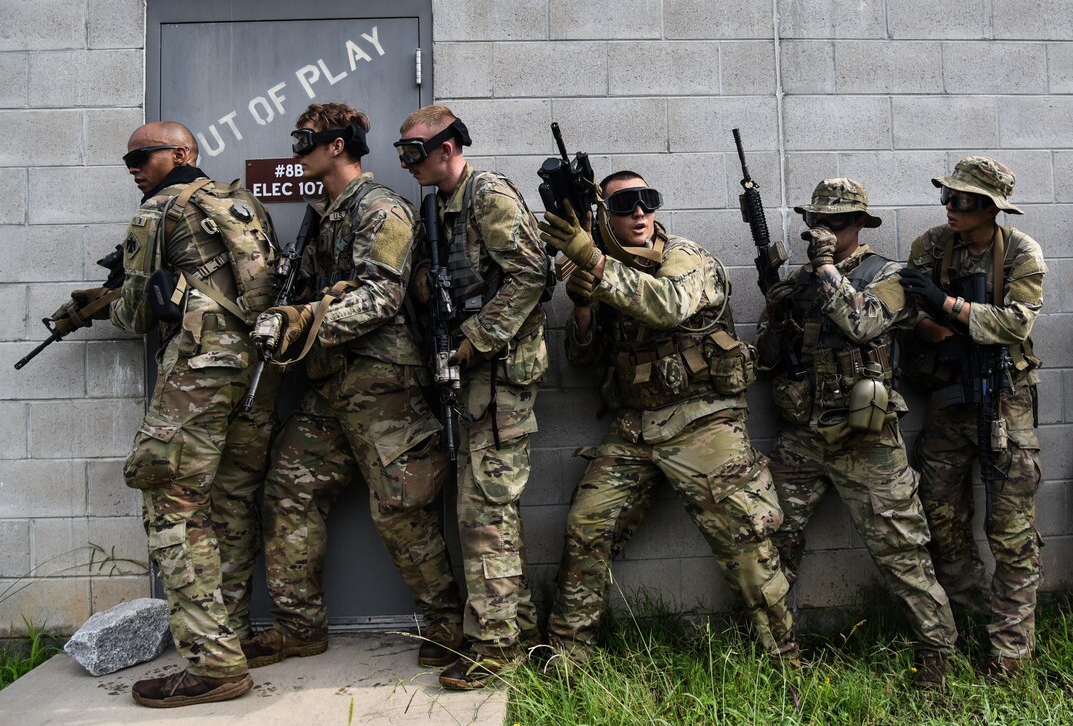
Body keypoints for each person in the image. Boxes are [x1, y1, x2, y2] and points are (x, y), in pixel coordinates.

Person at [543, 171, 797, 666]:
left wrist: (591, 257)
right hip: (636, 427)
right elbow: (581, 360)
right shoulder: (607, 266)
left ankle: (785, 661)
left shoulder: (686, 257)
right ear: (603, 216)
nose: (639, 212)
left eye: (647, 201)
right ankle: (568, 660)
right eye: (624, 205)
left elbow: (667, 306)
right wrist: (582, 309)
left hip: (703, 421)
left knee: (745, 540)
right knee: (586, 527)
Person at [245, 102, 462, 671]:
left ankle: (447, 624)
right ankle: (299, 628)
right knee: (288, 490)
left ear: (336, 145)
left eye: (304, 139)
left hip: (381, 384)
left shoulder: (381, 210)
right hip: (328, 385)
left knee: (400, 509)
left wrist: (303, 324)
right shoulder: (325, 213)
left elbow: (381, 298)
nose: (297, 149)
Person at [755, 178, 959, 689]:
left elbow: (862, 324)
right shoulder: (801, 283)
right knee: (768, 544)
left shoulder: (891, 274)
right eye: (816, 223)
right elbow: (767, 359)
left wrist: (825, 270)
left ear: (861, 225)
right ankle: (772, 658)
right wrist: (777, 308)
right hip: (803, 437)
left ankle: (937, 665)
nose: (825, 231)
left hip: (867, 440)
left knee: (903, 553)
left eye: (837, 222)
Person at [110, 121, 280, 707]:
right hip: (254, 375)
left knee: (173, 507)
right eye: (128, 158)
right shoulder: (241, 202)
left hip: (198, 374)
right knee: (229, 506)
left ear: (181, 154)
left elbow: (134, 317)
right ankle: (228, 633)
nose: (132, 166)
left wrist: (118, 298)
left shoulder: (155, 211)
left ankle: (215, 665)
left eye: (142, 156)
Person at [397, 105, 551, 689]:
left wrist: (476, 337)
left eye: (414, 151)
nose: (407, 163)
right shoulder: (436, 206)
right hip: (466, 380)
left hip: (499, 378)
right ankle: (519, 632)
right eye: (401, 152)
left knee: (483, 514)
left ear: (447, 148)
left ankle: (494, 648)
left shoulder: (486, 194)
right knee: (488, 513)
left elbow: (532, 274)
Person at [899, 157, 1045, 681]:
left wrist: (950, 307)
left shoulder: (1022, 252)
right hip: (947, 400)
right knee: (941, 520)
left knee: (1011, 534)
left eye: (961, 200)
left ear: (990, 207)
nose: (949, 208)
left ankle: (1009, 655)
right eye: (947, 198)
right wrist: (927, 326)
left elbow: (1013, 323)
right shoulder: (933, 245)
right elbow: (903, 304)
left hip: (1005, 402)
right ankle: (968, 621)